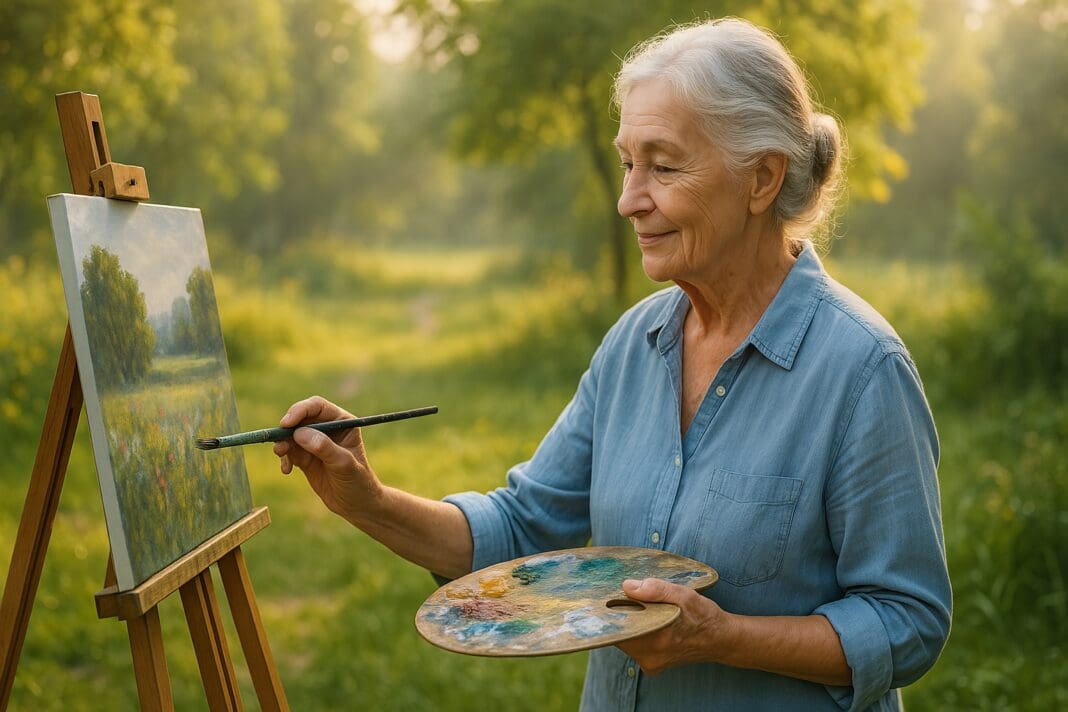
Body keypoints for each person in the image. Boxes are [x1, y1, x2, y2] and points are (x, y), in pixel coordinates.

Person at [273, 17, 951, 712]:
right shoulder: (633, 345)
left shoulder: (863, 370)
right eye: (629, 163)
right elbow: (523, 530)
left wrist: (721, 638)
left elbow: (909, 622)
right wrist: (368, 500)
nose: (630, 199)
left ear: (762, 178)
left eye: (663, 165)